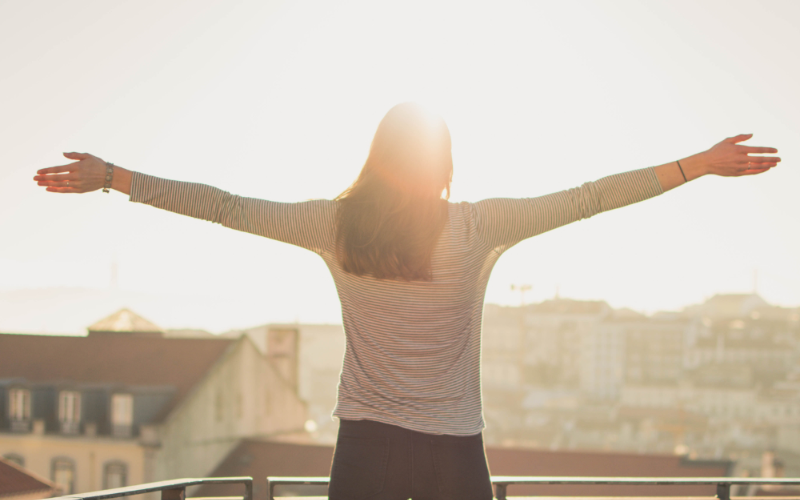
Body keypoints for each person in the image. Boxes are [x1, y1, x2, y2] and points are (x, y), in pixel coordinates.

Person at [34, 103, 780, 500]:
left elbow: (225, 206)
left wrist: (116, 177)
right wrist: (695, 167)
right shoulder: (478, 225)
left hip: (364, 449)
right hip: (454, 454)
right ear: (445, 162)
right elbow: (587, 199)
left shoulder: (333, 224)